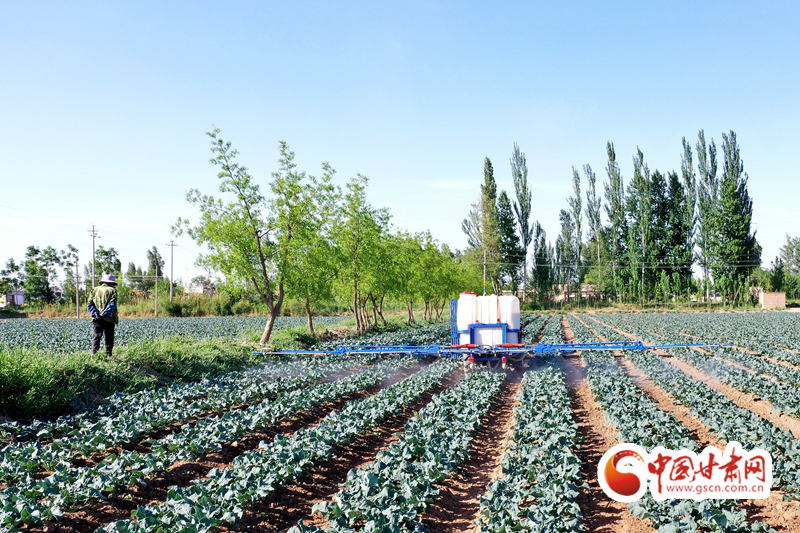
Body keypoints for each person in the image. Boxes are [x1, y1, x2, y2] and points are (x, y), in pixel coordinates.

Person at [87, 273, 119, 356]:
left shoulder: (94, 290)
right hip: (109, 319)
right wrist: (104, 314)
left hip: (97, 319)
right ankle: (108, 355)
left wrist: (95, 314)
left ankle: (94, 355)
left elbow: (90, 304)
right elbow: (112, 304)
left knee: (96, 337)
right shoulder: (112, 291)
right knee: (109, 338)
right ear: (111, 283)